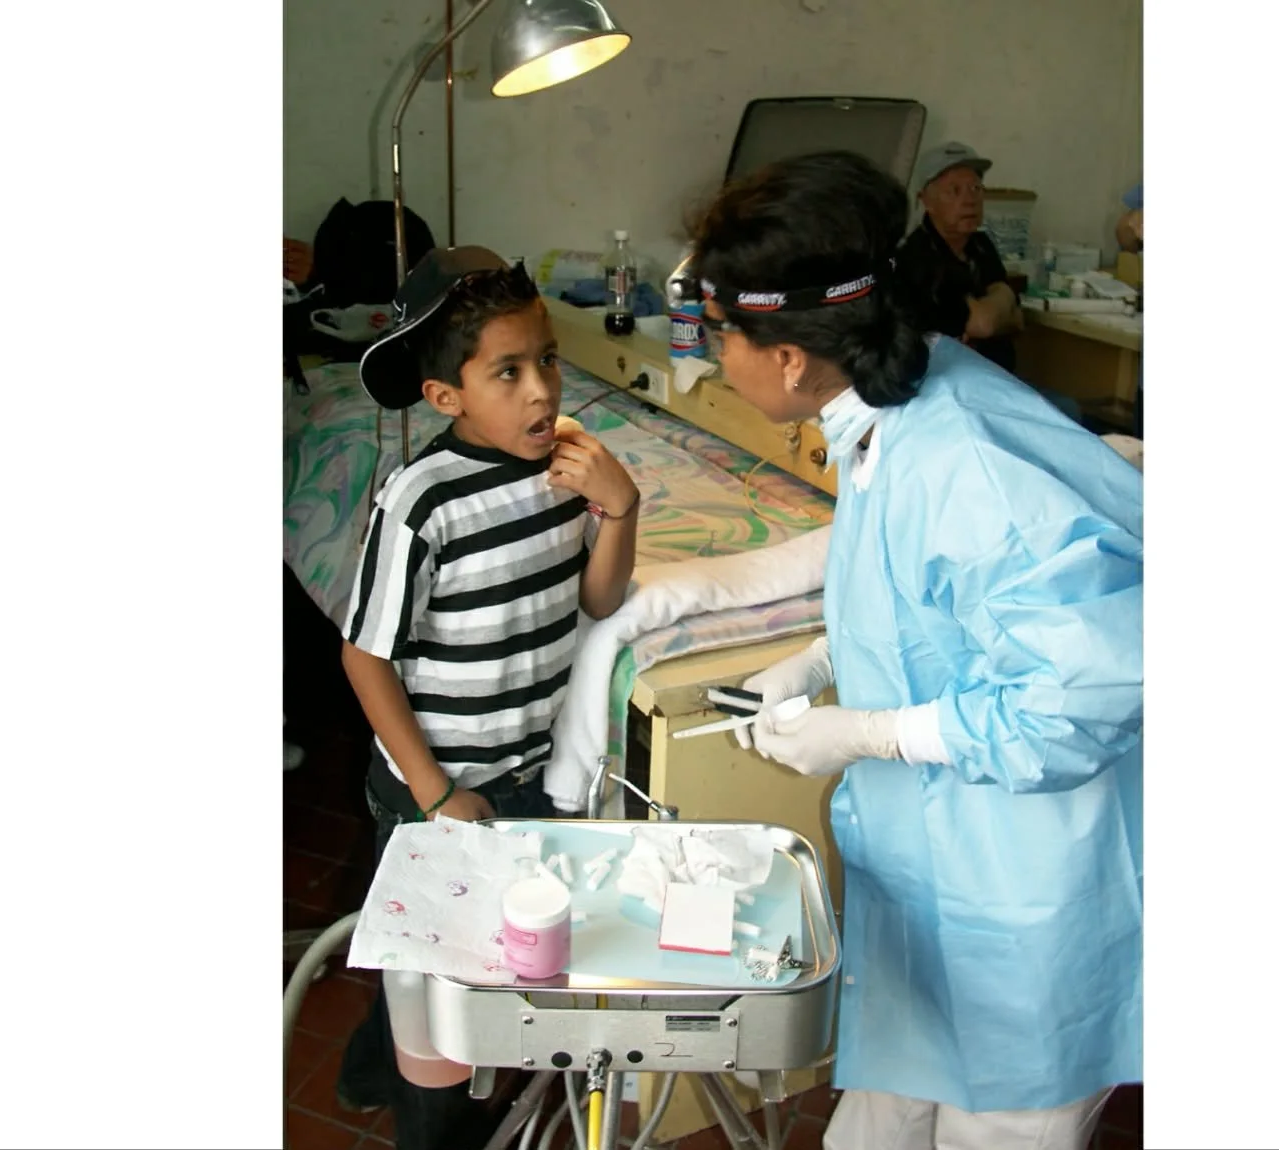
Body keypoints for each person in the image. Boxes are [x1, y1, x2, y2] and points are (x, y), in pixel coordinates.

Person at [688, 151, 1142, 1150]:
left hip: (1024, 888)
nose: (715, 356)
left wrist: (869, 732)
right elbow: (929, 596)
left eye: (720, 334)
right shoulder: (891, 405)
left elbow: (1080, 694)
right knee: (875, 1123)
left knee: (994, 1125)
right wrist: (822, 661)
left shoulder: (956, 455)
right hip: (936, 869)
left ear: (789, 357)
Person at [329, 245, 641, 1147]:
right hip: (435, 789)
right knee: (438, 998)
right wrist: (434, 793)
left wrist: (620, 509)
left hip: (522, 775)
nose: (542, 390)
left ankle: (365, 1068)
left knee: (448, 958)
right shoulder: (421, 502)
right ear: (446, 397)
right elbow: (364, 657)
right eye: (508, 372)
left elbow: (597, 601)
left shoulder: (568, 467)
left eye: (548, 359)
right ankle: (425, 1117)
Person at [893, 141, 1024, 373]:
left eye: (975, 189)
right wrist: (1004, 296)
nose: (969, 200)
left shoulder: (980, 245)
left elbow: (1018, 321)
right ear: (926, 201)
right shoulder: (916, 257)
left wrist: (997, 305)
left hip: (997, 376)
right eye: (955, 191)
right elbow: (984, 325)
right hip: (950, 381)